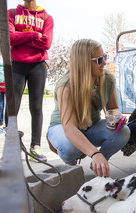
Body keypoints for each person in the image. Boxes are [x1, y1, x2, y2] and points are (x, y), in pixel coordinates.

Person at [47, 39, 130, 177]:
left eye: (104, 57)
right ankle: (70, 163)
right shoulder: (66, 86)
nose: (104, 62)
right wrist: (94, 152)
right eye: (99, 60)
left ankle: (98, 163)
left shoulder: (107, 79)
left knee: (124, 132)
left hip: (91, 127)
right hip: (61, 128)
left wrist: (116, 119)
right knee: (70, 147)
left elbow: (113, 108)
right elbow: (70, 128)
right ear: (83, 63)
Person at [8, 0, 54, 162]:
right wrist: (35, 35)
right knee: (13, 106)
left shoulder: (47, 17)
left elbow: (46, 43)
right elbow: (10, 38)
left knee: (36, 107)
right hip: (17, 65)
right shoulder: (12, 13)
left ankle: (36, 146)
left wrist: (21, 37)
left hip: (38, 66)